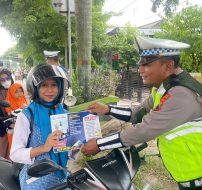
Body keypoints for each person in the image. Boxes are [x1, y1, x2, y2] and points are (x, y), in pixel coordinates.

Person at [81, 36, 202, 190]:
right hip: (190, 174)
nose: (140, 70)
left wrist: (99, 144)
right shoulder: (166, 88)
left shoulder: (180, 94)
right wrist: (108, 109)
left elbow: (144, 130)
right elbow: (138, 114)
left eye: (146, 64)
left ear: (169, 65)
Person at [10, 63, 70, 190]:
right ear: (35, 87)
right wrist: (44, 148)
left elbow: (68, 151)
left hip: (62, 175)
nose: (50, 90)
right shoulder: (26, 116)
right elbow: (15, 154)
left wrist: (79, 142)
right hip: (35, 178)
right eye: (44, 85)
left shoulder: (64, 114)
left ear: (60, 87)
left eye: (54, 85)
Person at [5, 83, 28, 157]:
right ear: (11, 93)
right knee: (13, 147)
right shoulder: (9, 103)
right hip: (13, 129)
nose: (19, 94)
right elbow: (9, 116)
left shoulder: (24, 100)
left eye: (21, 91)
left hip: (24, 129)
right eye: (16, 92)